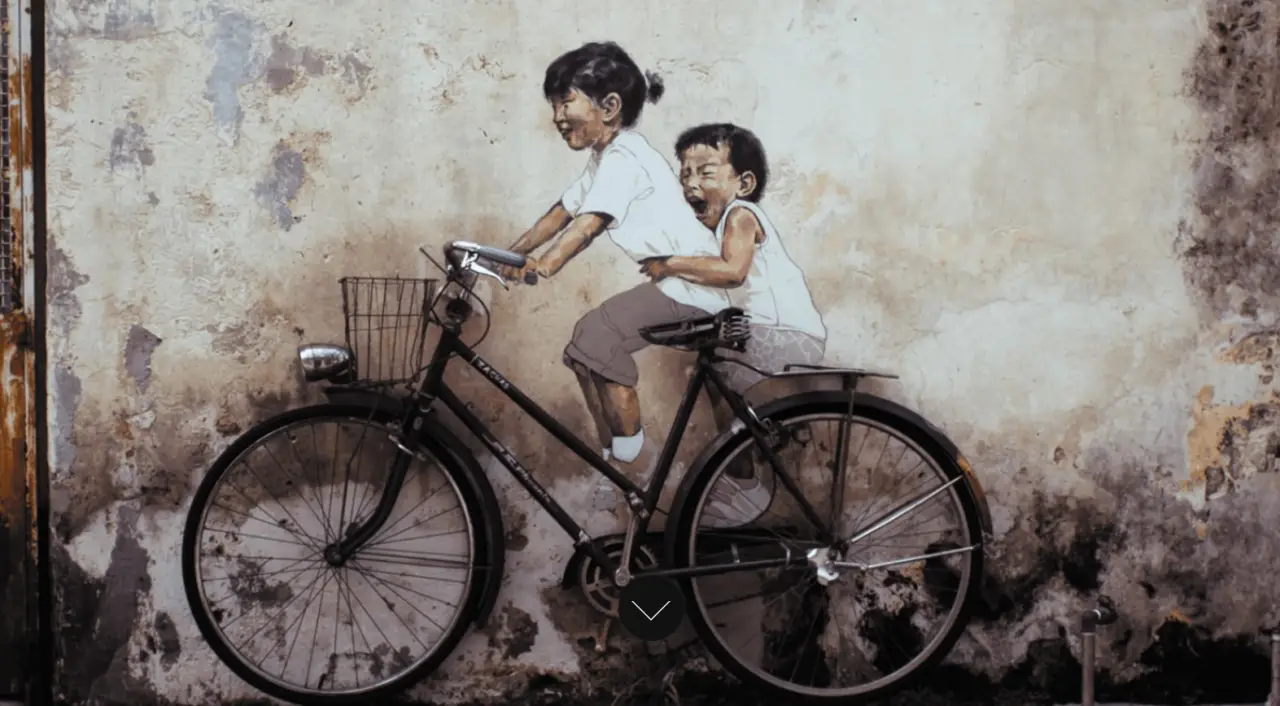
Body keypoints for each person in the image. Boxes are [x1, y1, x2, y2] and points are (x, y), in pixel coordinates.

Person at [501, 42, 731, 468]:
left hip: (694, 287)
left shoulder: (627, 157)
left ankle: (629, 454)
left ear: (608, 107)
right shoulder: (603, 159)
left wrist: (543, 265)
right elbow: (560, 214)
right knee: (581, 350)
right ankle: (611, 451)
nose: (556, 117)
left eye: (565, 102)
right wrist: (507, 255)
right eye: (553, 105)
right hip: (677, 286)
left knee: (597, 336)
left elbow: (589, 225)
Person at [641, 122, 827, 527]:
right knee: (716, 372)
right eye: (685, 174)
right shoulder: (722, 226)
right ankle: (756, 446)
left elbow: (731, 272)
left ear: (743, 182)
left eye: (706, 172)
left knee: (720, 369)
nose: (691, 183)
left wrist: (669, 264)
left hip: (787, 332)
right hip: (776, 331)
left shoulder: (740, 216)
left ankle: (746, 480)